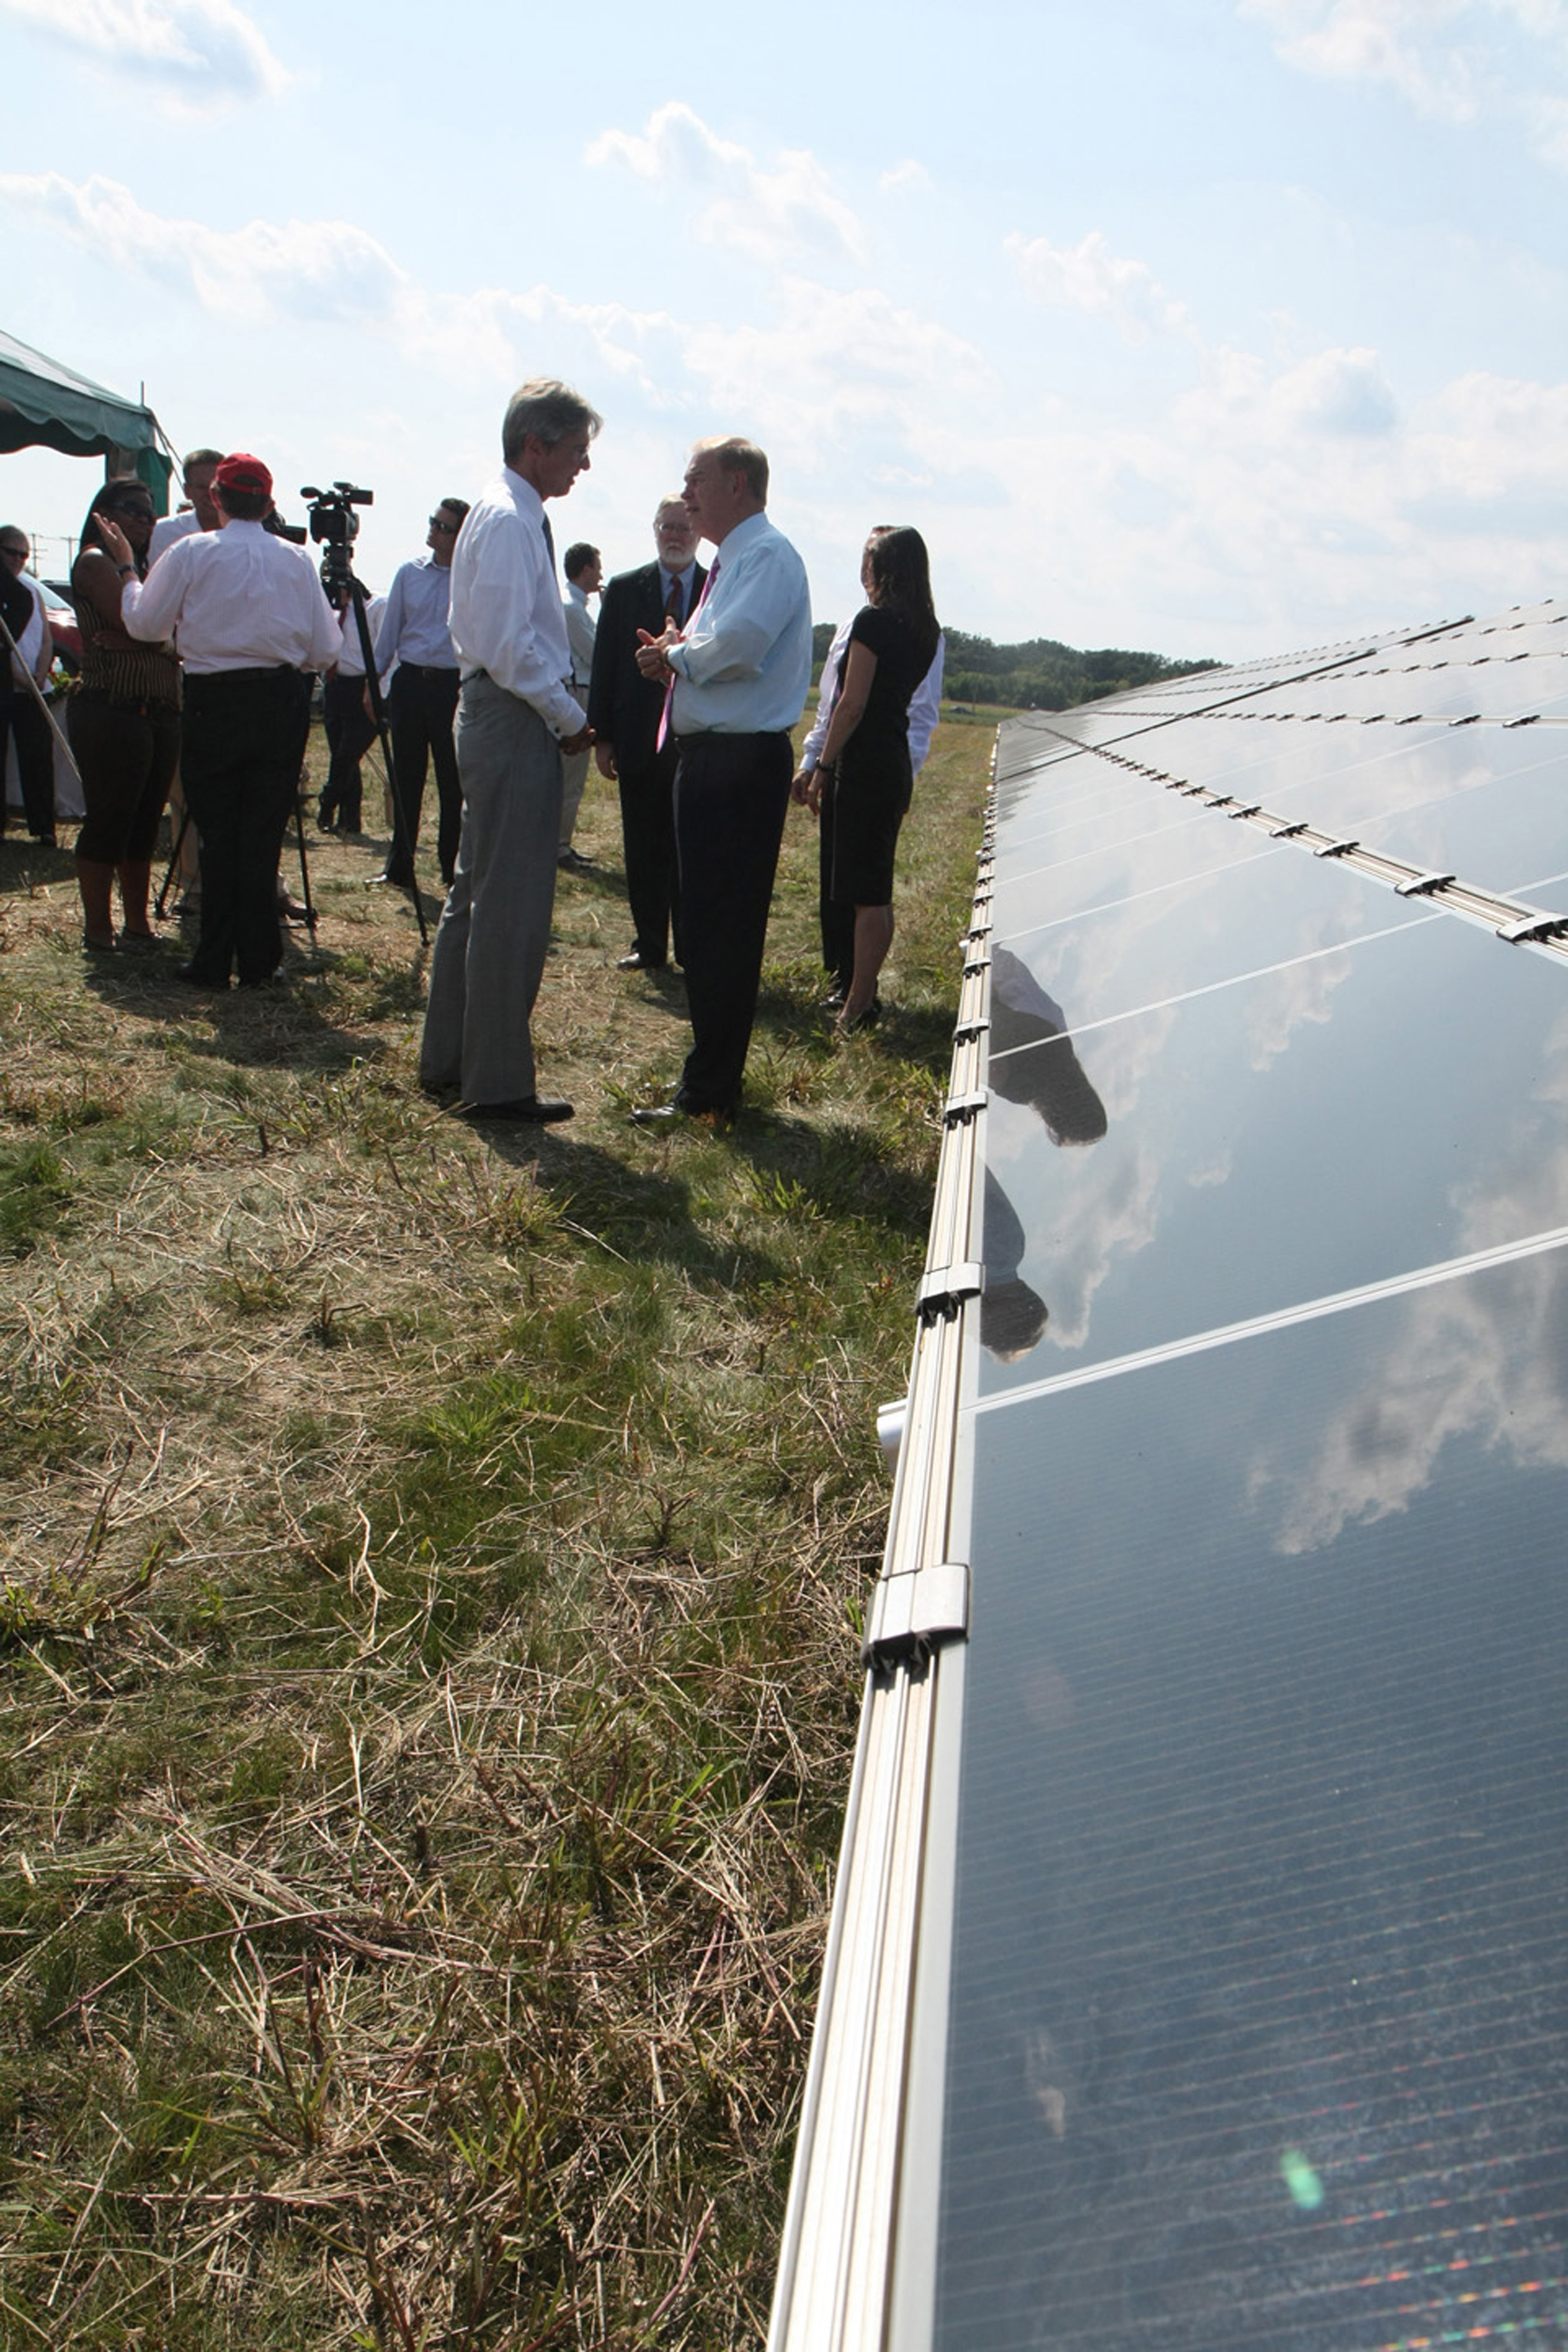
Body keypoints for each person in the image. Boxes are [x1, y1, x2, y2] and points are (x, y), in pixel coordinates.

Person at [418, 379, 599, 1123]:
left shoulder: (509, 513)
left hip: (503, 712)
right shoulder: (506, 518)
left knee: (479, 891)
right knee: (509, 905)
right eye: (576, 450)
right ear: (535, 445)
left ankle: (452, 1059)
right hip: (513, 714)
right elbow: (510, 649)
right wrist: (569, 717)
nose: (583, 465)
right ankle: (493, 1082)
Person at [100, 451, 340, 987]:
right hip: (277, 700)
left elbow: (144, 625)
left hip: (215, 700)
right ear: (268, 504)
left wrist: (127, 569)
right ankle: (260, 960)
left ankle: (214, 958)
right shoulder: (296, 561)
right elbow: (327, 648)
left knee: (217, 829)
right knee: (262, 831)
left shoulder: (191, 552)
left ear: (216, 497)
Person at [631, 436, 813, 1126]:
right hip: (712, 760)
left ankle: (710, 1091)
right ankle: (709, 1080)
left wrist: (676, 654)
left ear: (738, 483)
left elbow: (737, 649)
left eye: (696, 479)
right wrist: (676, 653)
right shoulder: (735, 562)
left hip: (737, 765)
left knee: (723, 929)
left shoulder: (767, 556)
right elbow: (712, 651)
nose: (686, 495)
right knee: (704, 926)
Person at [793, 526, 940, 1034]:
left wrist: (822, 764)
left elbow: (850, 703)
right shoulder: (925, 629)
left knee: (864, 894)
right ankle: (863, 992)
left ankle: (856, 1003)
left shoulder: (873, 623)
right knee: (875, 888)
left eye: (868, 563)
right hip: (892, 761)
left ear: (883, 570)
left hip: (861, 765)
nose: (863, 573)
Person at [587, 497, 704, 971]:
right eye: (667, 527)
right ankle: (649, 944)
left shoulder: (717, 588)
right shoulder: (622, 589)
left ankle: (692, 948)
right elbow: (605, 666)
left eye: (683, 527)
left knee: (689, 848)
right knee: (642, 844)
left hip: (693, 741)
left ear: (698, 532)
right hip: (636, 739)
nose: (675, 536)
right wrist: (602, 738)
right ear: (654, 530)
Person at [67, 478, 182, 950]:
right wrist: (163, 642)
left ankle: (138, 925)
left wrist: (158, 641)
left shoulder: (146, 570)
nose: (143, 519)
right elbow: (137, 624)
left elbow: (176, 630)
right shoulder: (96, 561)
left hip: (159, 709)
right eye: (131, 508)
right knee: (110, 820)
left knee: (145, 823)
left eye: (149, 513)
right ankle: (98, 929)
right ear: (104, 514)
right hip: (112, 706)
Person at [373, 497, 470, 887]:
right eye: (434, 522)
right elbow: (389, 634)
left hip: (451, 688)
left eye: (444, 527)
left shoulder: (470, 580)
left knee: (452, 783)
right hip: (410, 683)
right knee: (405, 778)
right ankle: (399, 867)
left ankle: (451, 869)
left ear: (460, 536)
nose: (435, 531)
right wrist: (373, 683)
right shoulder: (408, 573)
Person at [317, 581, 387, 836]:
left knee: (348, 753)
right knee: (341, 753)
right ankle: (349, 820)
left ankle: (327, 801)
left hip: (363, 686)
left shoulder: (376, 607)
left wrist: (378, 691)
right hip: (335, 685)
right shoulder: (332, 612)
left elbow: (387, 650)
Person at [1, 526, 56, 846]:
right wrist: (20, 677)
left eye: (24, 554)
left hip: (35, 686)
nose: (19, 559)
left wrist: (40, 673)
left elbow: (46, 636)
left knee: (38, 756)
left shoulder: (31, 590)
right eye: (12, 552)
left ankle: (44, 826)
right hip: (10, 682)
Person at [558, 542, 600, 870]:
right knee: (571, 777)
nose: (600, 575)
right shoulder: (572, 609)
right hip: (578, 692)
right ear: (585, 570)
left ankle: (560, 842)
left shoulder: (572, 606)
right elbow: (596, 653)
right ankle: (559, 846)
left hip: (575, 690)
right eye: (597, 568)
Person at [149, 450, 223, 563]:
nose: (210, 494)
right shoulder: (162, 533)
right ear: (187, 491)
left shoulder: (245, 534)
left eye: (216, 487)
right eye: (202, 487)